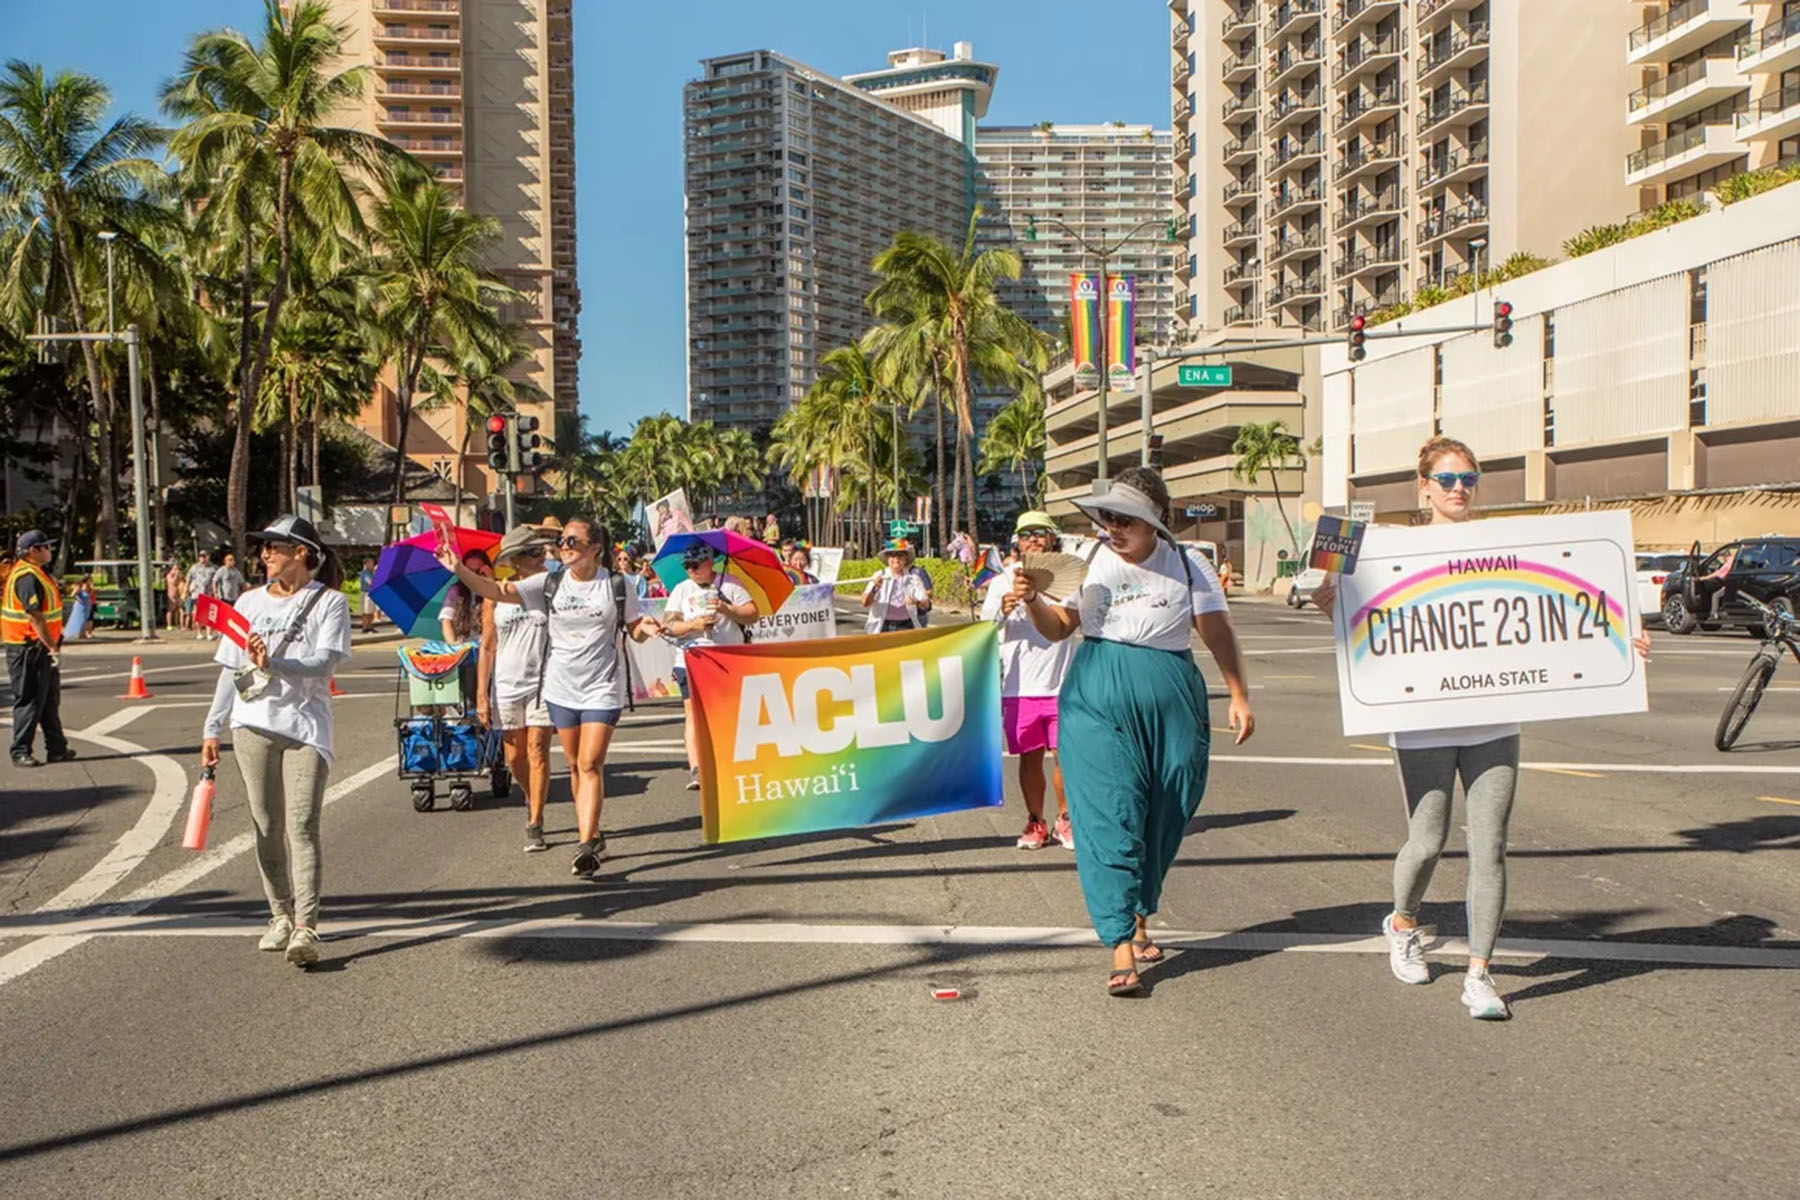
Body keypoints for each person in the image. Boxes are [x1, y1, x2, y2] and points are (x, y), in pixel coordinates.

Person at [1313, 437, 1652, 1020]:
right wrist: (1330, 592)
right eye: (1446, 480)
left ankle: (1479, 973)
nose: (1459, 489)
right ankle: (1402, 921)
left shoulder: (1507, 544)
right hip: (1421, 720)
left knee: (1489, 844)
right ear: (1424, 488)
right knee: (1427, 841)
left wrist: (1623, 639)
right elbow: (1330, 597)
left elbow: (1572, 605)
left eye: (1468, 478)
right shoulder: (1390, 545)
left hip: (1492, 718)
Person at [1012, 467, 1255, 996]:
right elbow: (1058, 629)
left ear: (1157, 522)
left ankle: (1140, 910)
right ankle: (1121, 941)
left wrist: (1238, 695)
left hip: (1173, 700)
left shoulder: (1189, 566)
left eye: (1127, 519)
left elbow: (1216, 633)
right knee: (1109, 813)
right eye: (1107, 517)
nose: (1113, 528)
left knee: (1167, 810)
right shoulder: (1091, 562)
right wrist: (1033, 600)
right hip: (1095, 697)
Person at [439, 518, 662, 877]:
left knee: (590, 763)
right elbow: (495, 591)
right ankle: (591, 831)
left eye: (574, 540)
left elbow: (633, 627)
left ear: (595, 549)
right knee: (574, 765)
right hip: (560, 688)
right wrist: (459, 569)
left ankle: (586, 843)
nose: (566, 545)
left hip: (602, 686)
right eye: (563, 540)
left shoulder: (616, 585)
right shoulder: (549, 583)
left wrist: (645, 628)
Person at [200, 515, 351, 967]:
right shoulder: (247, 602)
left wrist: (276, 663)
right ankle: (279, 915)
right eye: (263, 547)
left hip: (306, 728)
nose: (265, 554)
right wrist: (212, 728)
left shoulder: (330, 602)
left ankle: (306, 926)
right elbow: (232, 669)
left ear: (302, 553)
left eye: (275, 547)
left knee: (302, 826)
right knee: (265, 826)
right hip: (252, 724)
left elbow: (324, 662)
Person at [982, 511, 1075, 851]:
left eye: (1040, 533)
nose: (1033, 539)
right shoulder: (1001, 581)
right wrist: (1002, 612)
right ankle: (1036, 820)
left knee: (1065, 755)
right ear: (1016, 543)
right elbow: (984, 630)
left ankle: (1066, 819)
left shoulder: (1069, 577)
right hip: (1019, 688)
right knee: (1029, 758)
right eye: (1026, 534)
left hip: (1064, 683)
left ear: (1053, 538)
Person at [476, 526, 558, 853]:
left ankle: (536, 820)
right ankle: (530, 794)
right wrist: (482, 693)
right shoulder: (494, 595)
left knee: (538, 749)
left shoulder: (550, 589)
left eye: (542, 552)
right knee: (514, 757)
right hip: (507, 683)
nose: (542, 558)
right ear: (515, 560)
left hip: (543, 680)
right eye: (534, 553)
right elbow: (487, 645)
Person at [664, 543, 756, 790]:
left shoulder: (730, 584)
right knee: (692, 714)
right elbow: (670, 625)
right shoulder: (682, 590)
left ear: (709, 563)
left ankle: (728, 762)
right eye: (687, 566)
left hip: (727, 657)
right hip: (691, 657)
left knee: (728, 712)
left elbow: (752, 614)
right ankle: (696, 768)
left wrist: (727, 609)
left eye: (696, 566)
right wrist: (694, 625)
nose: (691, 571)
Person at [5, 530, 73, 769]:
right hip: (28, 648)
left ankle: (57, 748)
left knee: (47, 700)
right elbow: (34, 617)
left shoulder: (36, 573)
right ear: (33, 551)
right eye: (45, 546)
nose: (49, 550)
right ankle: (20, 750)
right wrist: (51, 645)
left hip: (37, 647)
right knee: (30, 700)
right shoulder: (27, 577)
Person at [862, 541, 932, 633]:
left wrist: (916, 602)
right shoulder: (879, 576)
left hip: (906, 626)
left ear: (905, 559)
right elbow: (865, 603)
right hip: (882, 627)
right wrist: (875, 588)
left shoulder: (913, 579)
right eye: (892, 556)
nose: (896, 559)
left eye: (900, 556)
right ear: (887, 558)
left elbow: (926, 605)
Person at [439, 548, 493, 644]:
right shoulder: (456, 590)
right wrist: (453, 644)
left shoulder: (496, 589)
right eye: (469, 571)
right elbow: (446, 619)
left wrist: (490, 582)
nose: (473, 576)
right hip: (465, 645)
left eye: (478, 571)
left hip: (490, 644)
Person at [187, 552, 217, 640]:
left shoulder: (213, 568)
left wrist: (216, 592)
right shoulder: (194, 567)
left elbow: (216, 580)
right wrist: (185, 591)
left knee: (209, 614)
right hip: (197, 593)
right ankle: (199, 632)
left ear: (208, 557)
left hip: (208, 593)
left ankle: (209, 633)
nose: (203, 558)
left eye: (205, 556)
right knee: (197, 613)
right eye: (201, 557)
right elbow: (188, 578)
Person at [358, 557, 378, 633]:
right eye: (371, 563)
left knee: (371, 611)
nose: (373, 564)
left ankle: (370, 626)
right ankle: (365, 627)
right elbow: (371, 583)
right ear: (366, 564)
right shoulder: (365, 573)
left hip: (371, 593)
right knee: (366, 611)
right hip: (366, 593)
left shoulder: (371, 573)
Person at [165, 561, 184, 631]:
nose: (176, 570)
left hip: (178, 594)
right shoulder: (169, 575)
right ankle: (169, 624)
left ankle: (178, 624)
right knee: (170, 609)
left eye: (177, 569)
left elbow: (182, 581)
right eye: (175, 569)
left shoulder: (179, 575)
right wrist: (176, 575)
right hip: (171, 594)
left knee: (178, 610)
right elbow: (172, 582)